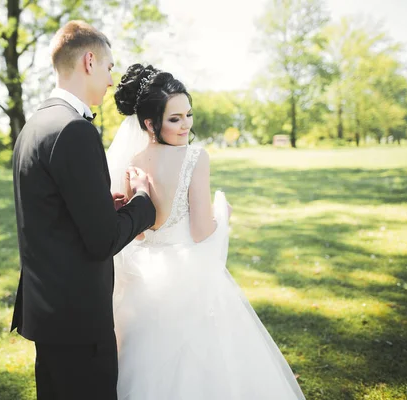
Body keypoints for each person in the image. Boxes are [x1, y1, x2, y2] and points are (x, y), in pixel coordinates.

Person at [107, 64, 306, 400]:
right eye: (175, 118)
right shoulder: (195, 158)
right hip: (187, 275)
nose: (186, 124)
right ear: (150, 123)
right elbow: (200, 231)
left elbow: (138, 235)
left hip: (145, 281)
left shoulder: (134, 160)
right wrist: (221, 215)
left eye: (188, 115)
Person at [10, 23, 156, 400]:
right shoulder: (74, 129)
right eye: (109, 67)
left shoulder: (35, 125)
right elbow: (103, 240)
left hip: (50, 312)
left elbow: (51, 211)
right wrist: (142, 202)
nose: (111, 81)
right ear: (89, 61)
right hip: (79, 320)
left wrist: (99, 205)